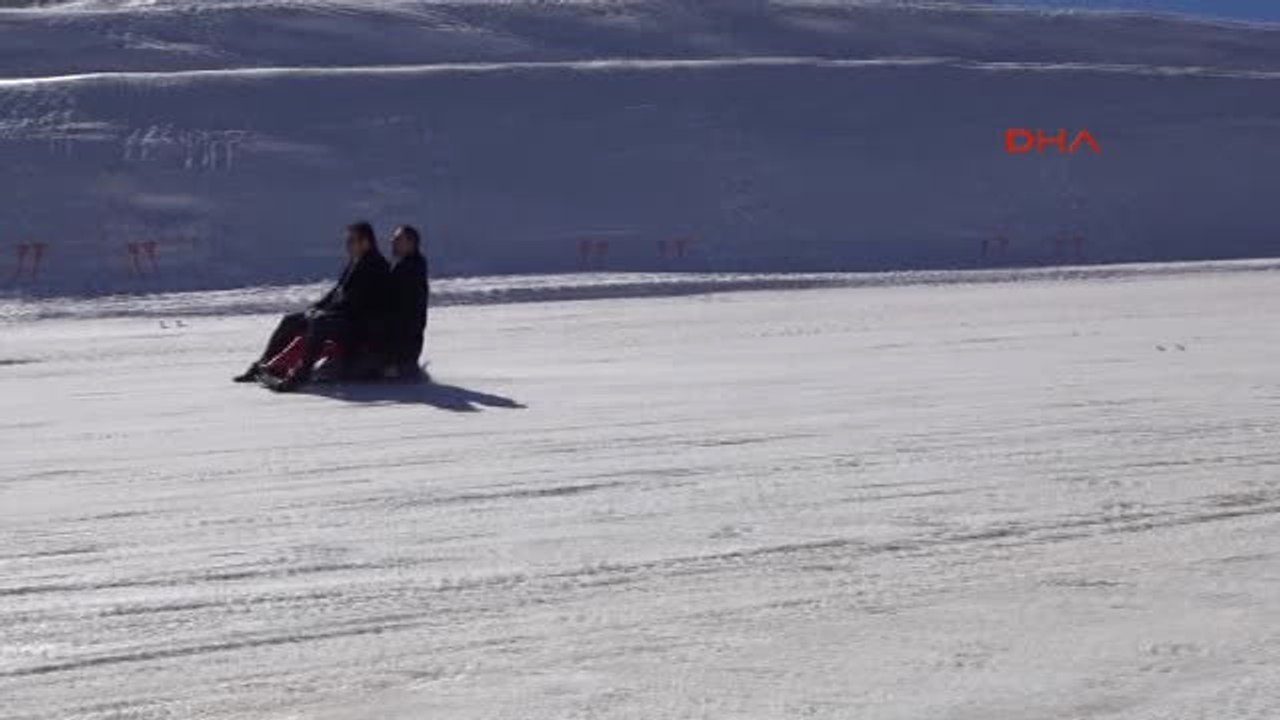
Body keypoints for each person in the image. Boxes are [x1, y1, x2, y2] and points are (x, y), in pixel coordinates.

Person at [234, 221, 390, 391]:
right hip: (342, 318)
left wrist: (324, 312)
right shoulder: (356, 262)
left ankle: (301, 373)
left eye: (351, 241)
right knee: (292, 320)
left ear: (365, 242)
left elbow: (358, 302)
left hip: (358, 326)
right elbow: (336, 292)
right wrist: (316, 307)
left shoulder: (376, 266)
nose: (347, 245)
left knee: (320, 322)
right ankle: (263, 363)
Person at [385, 224, 430, 377]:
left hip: (402, 338)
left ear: (411, 243)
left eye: (398, 239)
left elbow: (400, 303)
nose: (392, 242)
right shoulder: (403, 263)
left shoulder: (412, 267)